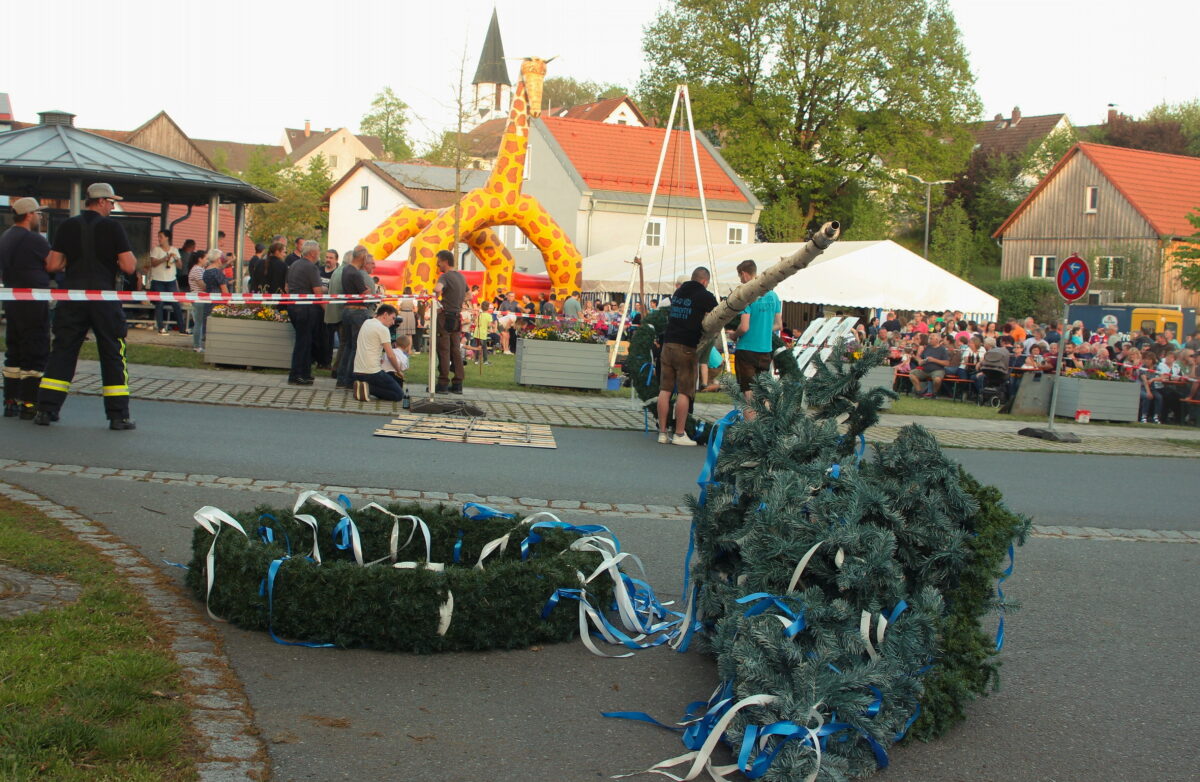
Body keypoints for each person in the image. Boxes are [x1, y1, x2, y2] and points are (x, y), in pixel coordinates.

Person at [34, 184, 138, 430]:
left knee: (63, 350)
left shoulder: (68, 226)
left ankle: (46, 410)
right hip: (104, 297)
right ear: (101, 201)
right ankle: (118, 416)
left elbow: (53, 265)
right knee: (112, 352)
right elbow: (128, 266)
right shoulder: (113, 227)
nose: (112, 206)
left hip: (73, 296)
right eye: (110, 202)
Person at [1, 198, 53, 419]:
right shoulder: (34, 239)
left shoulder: (6, 236)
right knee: (35, 349)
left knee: (14, 349)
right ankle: (29, 402)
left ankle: (10, 400)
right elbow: (52, 264)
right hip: (33, 301)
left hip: (13, 300)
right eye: (39, 214)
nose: (40, 217)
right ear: (30, 214)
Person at [656, 267, 718, 446]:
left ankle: (662, 433)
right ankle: (679, 433)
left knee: (665, 390)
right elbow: (717, 313)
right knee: (685, 391)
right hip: (687, 346)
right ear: (705, 281)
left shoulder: (678, 292)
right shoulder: (705, 295)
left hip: (668, 344)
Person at [731, 260, 782, 416]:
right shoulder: (773, 296)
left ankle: (751, 428)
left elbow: (744, 327)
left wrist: (734, 335)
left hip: (747, 349)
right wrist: (764, 329)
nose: (741, 281)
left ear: (744, 274)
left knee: (748, 394)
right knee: (762, 392)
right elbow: (778, 324)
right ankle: (767, 423)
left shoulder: (747, 296)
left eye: (740, 276)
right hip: (765, 350)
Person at [285, 240, 325, 385]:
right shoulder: (311, 268)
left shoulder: (294, 265)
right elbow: (317, 292)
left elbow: (286, 287)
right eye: (318, 251)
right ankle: (297, 375)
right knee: (304, 342)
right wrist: (326, 310)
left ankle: (305, 373)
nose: (319, 254)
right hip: (306, 308)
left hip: (293, 306)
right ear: (313, 253)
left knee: (304, 340)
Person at [336, 246, 374, 389]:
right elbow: (364, 293)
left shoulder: (346, 269)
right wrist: (367, 291)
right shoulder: (356, 273)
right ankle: (349, 379)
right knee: (355, 347)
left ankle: (341, 378)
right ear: (363, 257)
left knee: (347, 346)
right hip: (358, 311)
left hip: (347, 310)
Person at [352, 304, 407, 402]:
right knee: (398, 395)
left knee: (388, 383)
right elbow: (391, 355)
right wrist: (398, 370)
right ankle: (368, 388)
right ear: (385, 314)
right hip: (372, 372)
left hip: (357, 371)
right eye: (393, 318)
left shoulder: (367, 322)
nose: (393, 322)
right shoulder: (383, 329)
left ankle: (363, 386)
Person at [433, 249, 467, 394]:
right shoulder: (461, 277)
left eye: (439, 262)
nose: (438, 265)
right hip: (456, 316)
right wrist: (457, 303)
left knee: (444, 349)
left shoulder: (445, 276)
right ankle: (458, 383)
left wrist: (438, 300)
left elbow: (437, 289)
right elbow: (469, 295)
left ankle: (443, 383)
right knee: (455, 349)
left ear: (445, 261)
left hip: (445, 316)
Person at [147, 229, 185, 334]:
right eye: (158, 236)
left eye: (161, 237)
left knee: (176, 304)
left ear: (167, 238)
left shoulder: (174, 250)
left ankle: (182, 328)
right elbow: (153, 263)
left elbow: (180, 266)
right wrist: (164, 259)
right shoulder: (156, 249)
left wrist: (176, 258)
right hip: (158, 280)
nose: (159, 239)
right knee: (159, 303)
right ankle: (161, 327)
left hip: (171, 280)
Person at [910, 332, 950, 398]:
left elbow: (947, 363)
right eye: (929, 338)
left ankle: (934, 393)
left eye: (931, 339)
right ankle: (919, 392)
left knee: (937, 380)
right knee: (912, 374)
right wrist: (920, 360)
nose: (929, 340)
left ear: (937, 340)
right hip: (925, 369)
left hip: (937, 370)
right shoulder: (927, 347)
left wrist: (934, 360)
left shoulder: (942, 349)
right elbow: (920, 357)